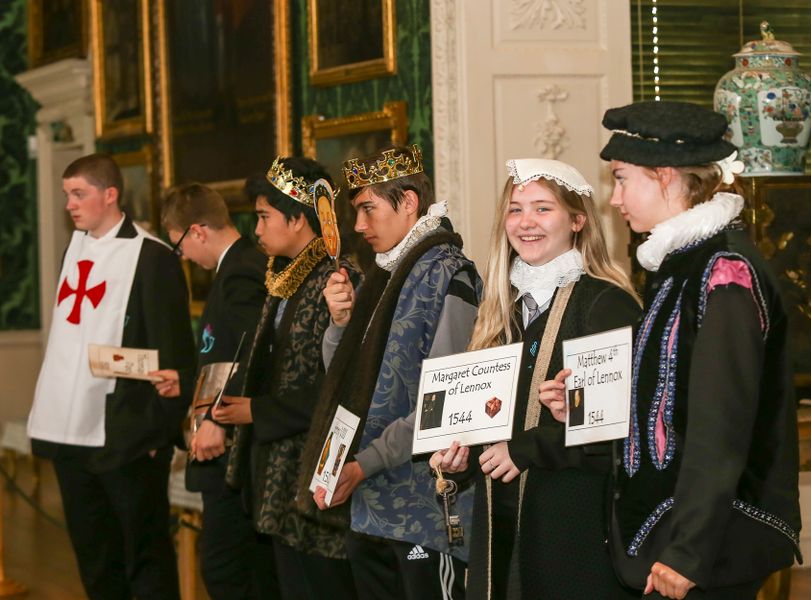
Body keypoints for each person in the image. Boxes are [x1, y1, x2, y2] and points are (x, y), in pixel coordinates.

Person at [549, 100, 801, 599]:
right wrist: (584, 406)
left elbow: (720, 427)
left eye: (622, 179)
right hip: (676, 532)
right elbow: (666, 399)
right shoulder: (679, 265)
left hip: (711, 543)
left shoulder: (724, 272)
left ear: (664, 176)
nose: (615, 198)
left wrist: (688, 551)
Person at [431, 158, 641, 600]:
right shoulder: (501, 309)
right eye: (515, 209)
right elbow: (489, 424)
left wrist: (527, 447)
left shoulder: (605, 304)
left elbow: (616, 437)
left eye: (543, 208)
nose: (525, 222)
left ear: (578, 220)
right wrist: (461, 458)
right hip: (502, 531)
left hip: (572, 531)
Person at [298, 144, 481, 600]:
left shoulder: (449, 274)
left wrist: (365, 465)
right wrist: (339, 326)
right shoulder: (382, 272)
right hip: (369, 501)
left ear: (409, 203)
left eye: (367, 209)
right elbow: (349, 380)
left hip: (422, 508)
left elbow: (445, 403)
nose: (359, 226)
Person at [27, 154, 195, 600]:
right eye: (66, 195)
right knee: (95, 557)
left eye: (78, 194)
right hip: (70, 431)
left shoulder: (152, 257)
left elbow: (175, 352)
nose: (70, 205)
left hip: (127, 434)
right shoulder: (74, 248)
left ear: (110, 194)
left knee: (144, 557)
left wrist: (159, 429)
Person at [215, 157, 360, 599]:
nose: (256, 231)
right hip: (276, 473)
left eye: (264, 217)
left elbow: (345, 384)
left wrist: (258, 410)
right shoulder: (286, 277)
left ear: (298, 218)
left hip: (311, 473)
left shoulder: (338, 281)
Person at [151, 182, 273, 599]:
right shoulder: (234, 267)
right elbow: (224, 354)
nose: (183, 256)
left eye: (180, 245)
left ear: (198, 231)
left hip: (233, 448)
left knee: (226, 570)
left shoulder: (239, 270)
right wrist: (186, 383)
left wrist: (215, 418)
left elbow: (254, 355)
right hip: (226, 442)